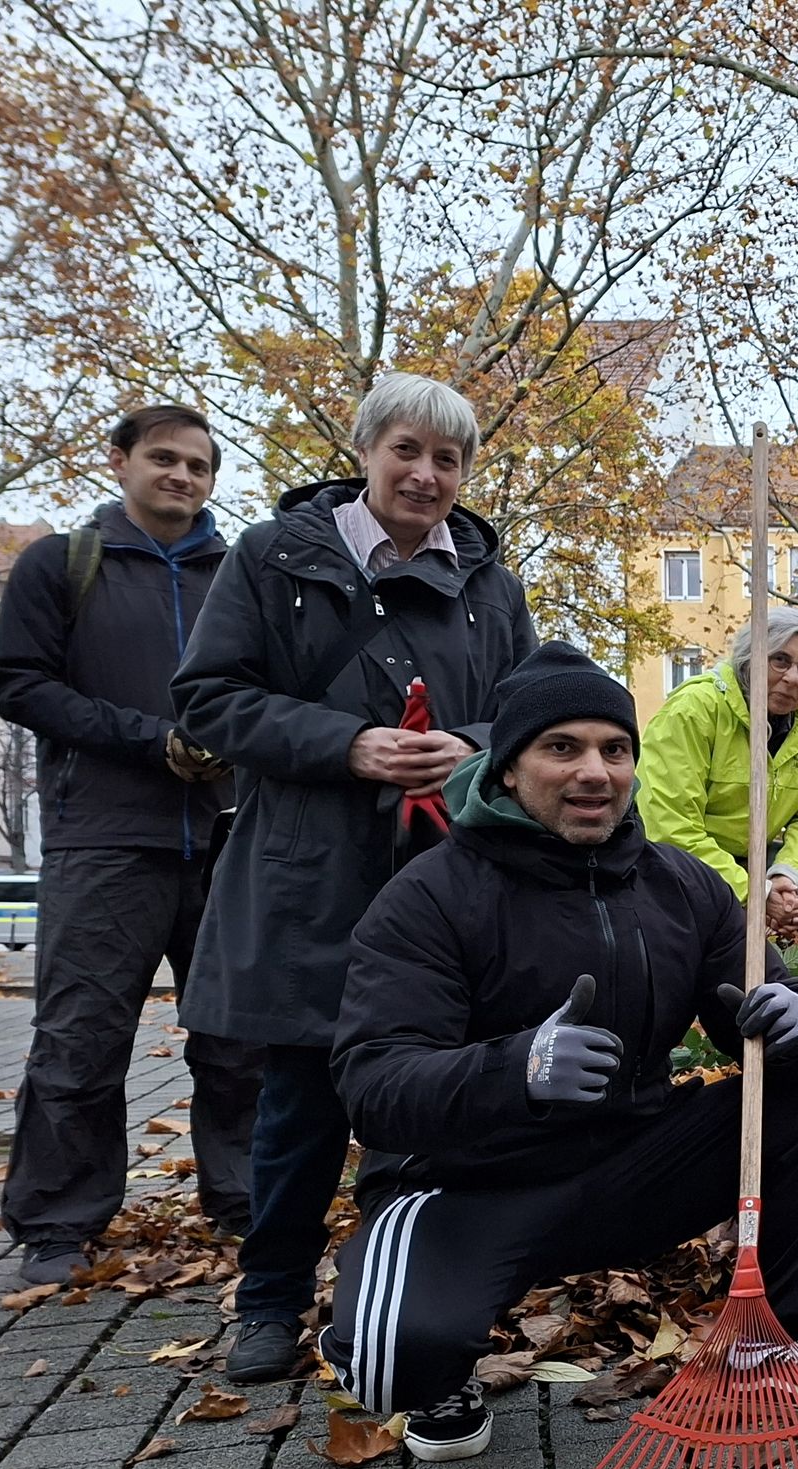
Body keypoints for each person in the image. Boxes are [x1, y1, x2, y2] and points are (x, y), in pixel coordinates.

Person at [322, 644, 798, 1458]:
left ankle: (769, 1347)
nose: (596, 772)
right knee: (387, 1370)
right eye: (563, 748)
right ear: (508, 770)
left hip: (631, 1164)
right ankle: (441, 1379)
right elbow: (373, 1084)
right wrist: (517, 1070)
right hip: (472, 1185)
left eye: (614, 750)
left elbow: (765, 1016)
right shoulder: (431, 896)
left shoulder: (682, 884)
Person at [173, 372, 539, 1383]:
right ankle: (271, 1301)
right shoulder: (273, 559)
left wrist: (467, 743)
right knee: (298, 1105)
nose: (426, 476)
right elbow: (209, 699)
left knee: (423, 1105)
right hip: (311, 880)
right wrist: (350, 746)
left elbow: (524, 712)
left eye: (449, 460)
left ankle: (397, 1298)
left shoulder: (492, 586)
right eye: (408, 452)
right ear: (368, 449)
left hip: (444, 882)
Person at [0, 406, 263, 1284]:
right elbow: (21, 685)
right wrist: (156, 741)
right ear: (121, 462)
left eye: (198, 465)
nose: (181, 476)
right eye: (163, 459)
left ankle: (247, 1200)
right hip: (104, 840)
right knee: (80, 1037)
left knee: (236, 1038)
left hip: (227, 839)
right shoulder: (63, 565)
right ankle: (59, 1224)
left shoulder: (242, 574)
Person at [638, 603, 798, 936]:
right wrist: (755, 893)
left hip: (754, 862)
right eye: (780, 660)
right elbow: (668, 829)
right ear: (749, 659)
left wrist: (787, 876)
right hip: (684, 867)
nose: (792, 678)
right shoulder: (694, 710)